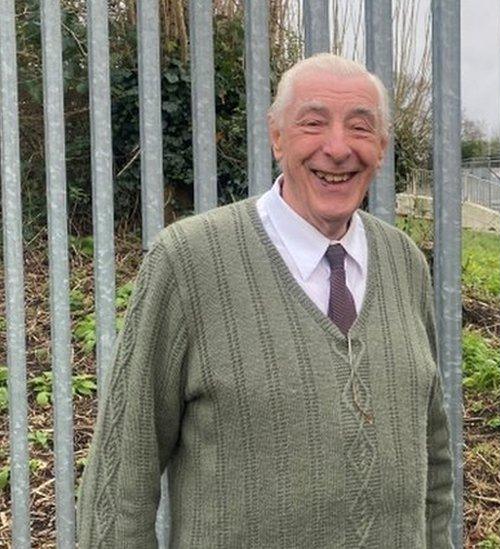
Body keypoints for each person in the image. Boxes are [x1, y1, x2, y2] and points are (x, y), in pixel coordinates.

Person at [77, 53, 453, 548]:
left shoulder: (404, 262)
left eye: (360, 128)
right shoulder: (188, 260)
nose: (337, 149)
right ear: (277, 137)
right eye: (313, 123)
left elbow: (433, 454)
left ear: (381, 148)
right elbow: (123, 472)